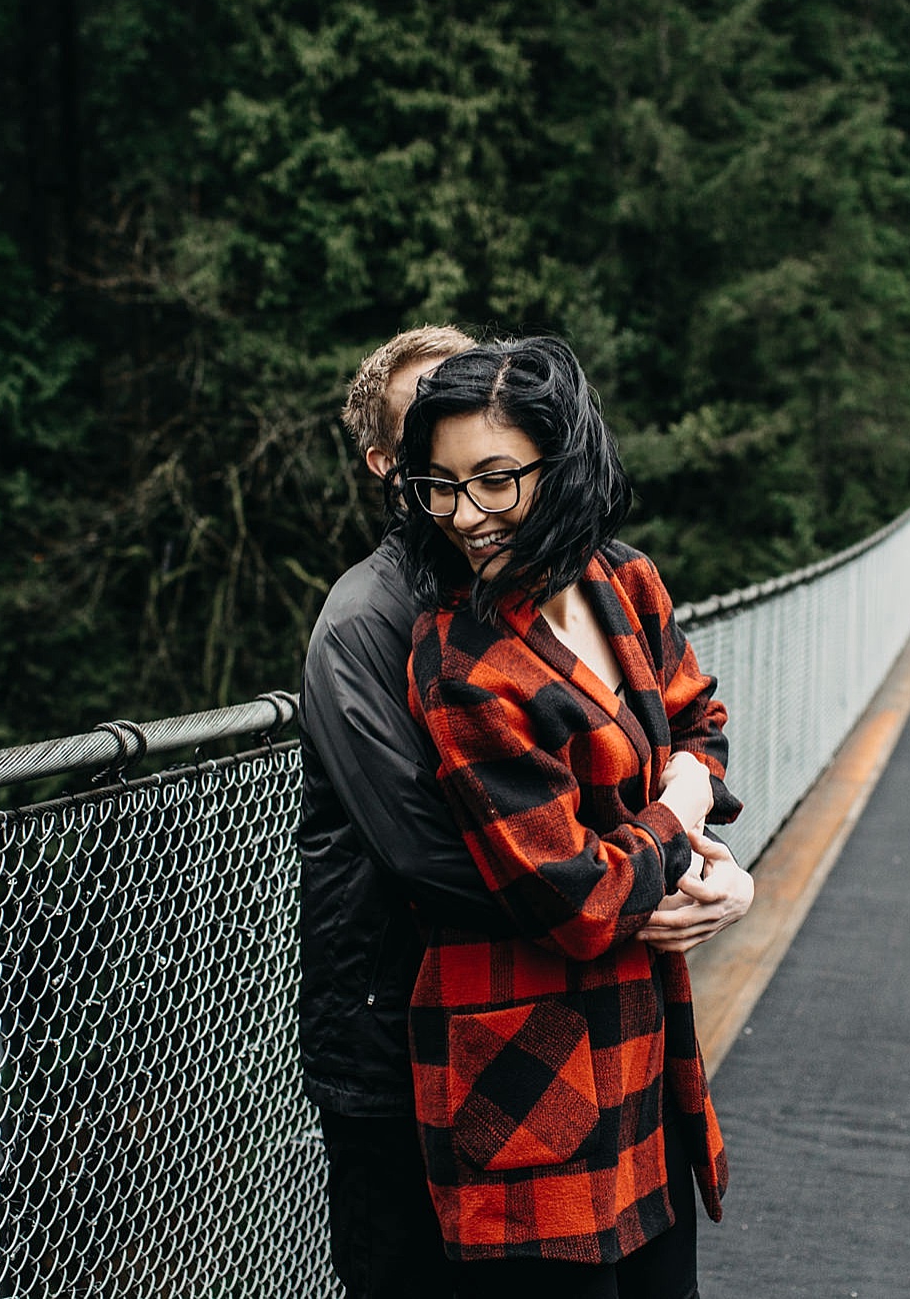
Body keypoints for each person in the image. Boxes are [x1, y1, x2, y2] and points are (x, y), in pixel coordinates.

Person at [297, 328, 754, 1299]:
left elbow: (690, 725)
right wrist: (658, 865)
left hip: (616, 1014)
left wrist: (696, 853)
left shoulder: (614, 580)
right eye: (440, 475)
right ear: (394, 465)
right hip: (427, 1028)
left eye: (494, 473)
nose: (467, 509)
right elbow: (443, 857)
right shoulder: (396, 631)